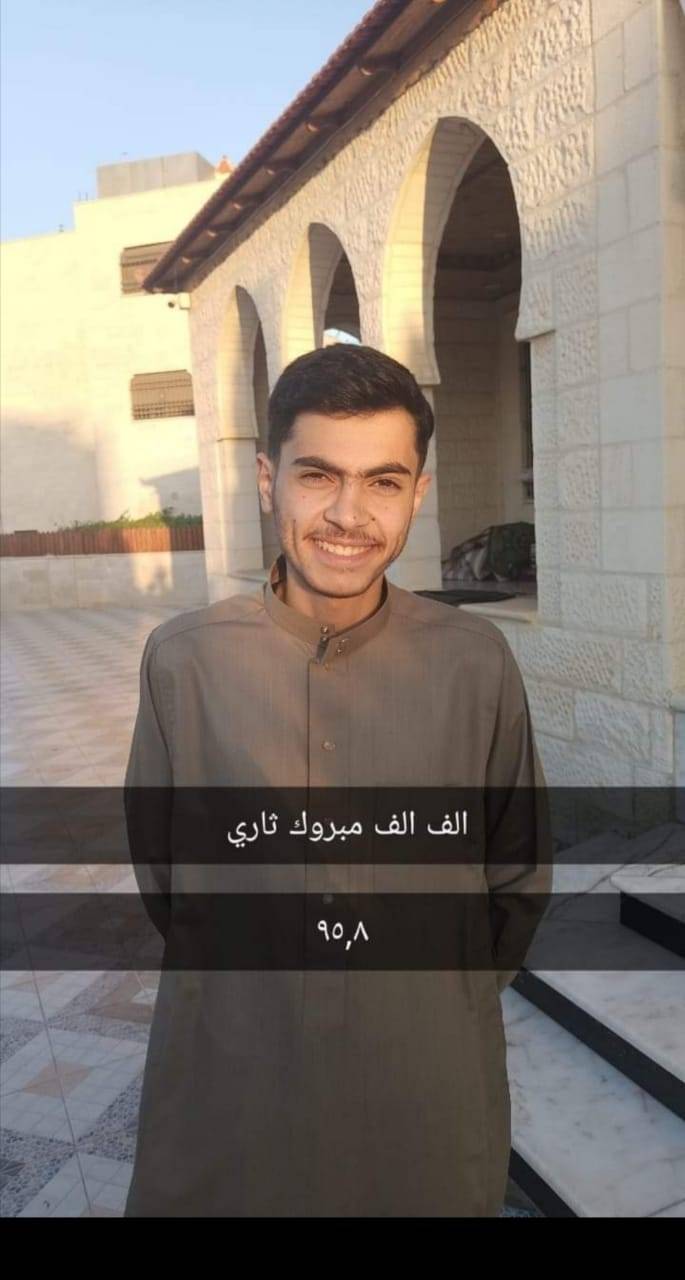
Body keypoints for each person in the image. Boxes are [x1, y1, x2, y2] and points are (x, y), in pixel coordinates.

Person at [123, 343, 553, 1217]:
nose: (348, 515)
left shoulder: (474, 663)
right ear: (267, 480)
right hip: (230, 1075)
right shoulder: (185, 662)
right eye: (318, 475)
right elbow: (166, 881)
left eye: (382, 481)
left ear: (417, 493)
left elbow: (516, 877)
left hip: (424, 1079)